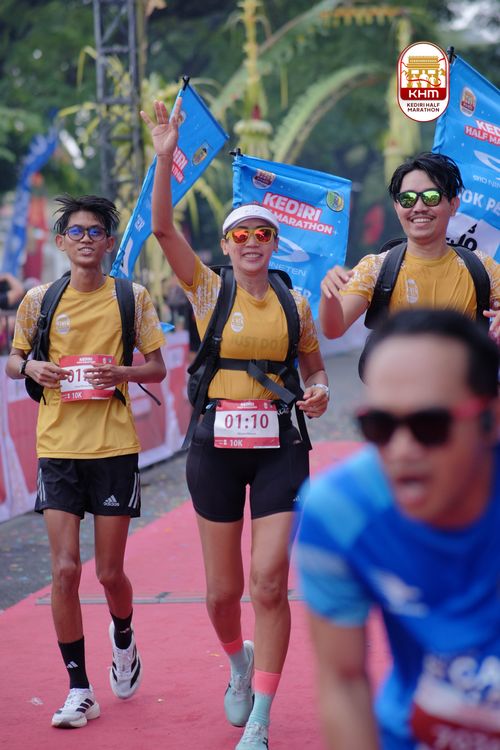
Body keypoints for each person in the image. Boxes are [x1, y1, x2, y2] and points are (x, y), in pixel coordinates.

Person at [141, 99, 329, 750]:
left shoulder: (295, 302)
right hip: (215, 447)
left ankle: (261, 718)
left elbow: (313, 368)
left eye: (262, 235)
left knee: (269, 582)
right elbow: (162, 230)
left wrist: (319, 391)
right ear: (226, 246)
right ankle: (237, 663)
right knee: (222, 593)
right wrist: (166, 156)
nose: (251, 243)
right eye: (240, 235)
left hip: (280, 446)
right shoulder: (207, 289)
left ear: (275, 245)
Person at [296, 308, 500, 750]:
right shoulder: (339, 511)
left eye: (430, 425)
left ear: (491, 419)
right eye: (380, 427)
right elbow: (343, 680)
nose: (403, 449)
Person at [5, 195, 166, 729]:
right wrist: (33, 369)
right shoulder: (39, 300)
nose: (86, 240)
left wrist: (122, 374)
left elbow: (158, 368)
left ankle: (124, 638)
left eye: (96, 232)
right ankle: (79, 688)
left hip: (114, 449)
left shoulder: (131, 297)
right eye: (76, 232)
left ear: (109, 242)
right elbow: (13, 361)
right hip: (57, 449)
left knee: (110, 572)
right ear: (61, 242)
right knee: (65, 569)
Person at [319, 152, 500, 343]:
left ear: (453, 205)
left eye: (431, 197)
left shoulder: (482, 268)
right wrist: (329, 296)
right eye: (408, 199)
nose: (419, 207)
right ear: (397, 207)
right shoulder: (375, 268)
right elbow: (334, 329)